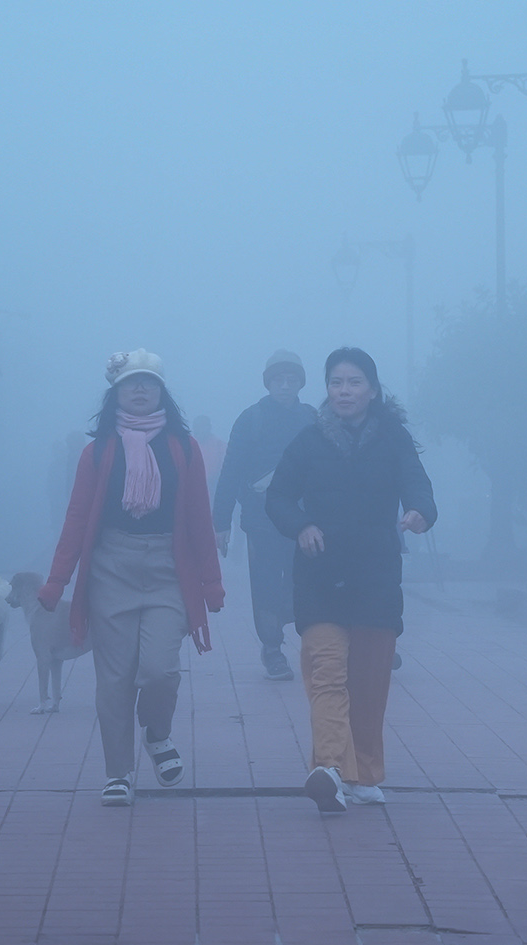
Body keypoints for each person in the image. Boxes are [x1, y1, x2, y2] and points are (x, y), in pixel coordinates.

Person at [39, 349, 225, 805]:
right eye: (130, 383)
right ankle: (118, 772)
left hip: (167, 568)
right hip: (111, 569)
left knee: (161, 670)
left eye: (148, 382)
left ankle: (157, 735)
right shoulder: (97, 451)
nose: (140, 390)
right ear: (116, 393)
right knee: (115, 678)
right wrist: (57, 581)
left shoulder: (183, 447)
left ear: (162, 391)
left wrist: (211, 580)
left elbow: (200, 516)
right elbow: (77, 518)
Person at [265, 346, 435, 813]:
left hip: (376, 576)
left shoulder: (394, 440)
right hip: (320, 577)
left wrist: (420, 512)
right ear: (327, 390)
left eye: (354, 382)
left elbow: (417, 484)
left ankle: (362, 773)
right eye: (336, 382)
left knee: (369, 680)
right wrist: (301, 526)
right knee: (326, 671)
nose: (345, 391)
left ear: (372, 390)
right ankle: (331, 771)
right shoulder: (307, 442)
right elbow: (277, 498)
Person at [211, 349, 317, 681]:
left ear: (300, 383)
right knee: (267, 586)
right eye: (278, 380)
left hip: (304, 521)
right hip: (261, 521)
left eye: (291, 380)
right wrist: (220, 522)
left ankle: (307, 637)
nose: (285, 386)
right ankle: (272, 648)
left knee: (306, 583)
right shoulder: (251, 419)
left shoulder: (313, 418)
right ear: (268, 383)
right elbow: (230, 471)